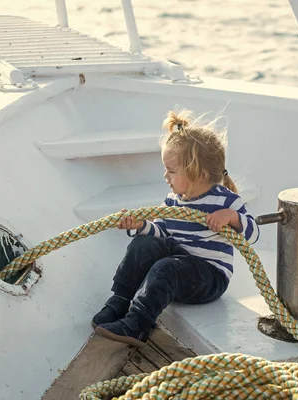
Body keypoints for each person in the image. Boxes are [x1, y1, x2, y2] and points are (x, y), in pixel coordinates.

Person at [92, 109, 260, 347]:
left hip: (209, 277)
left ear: (198, 173)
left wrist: (232, 217)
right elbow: (161, 232)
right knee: (144, 242)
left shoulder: (226, 201)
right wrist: (140, 226)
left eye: (171, 171)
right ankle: (121, 299)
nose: (165, 176)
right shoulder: (174, 199)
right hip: (180, 262)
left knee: (166, 268)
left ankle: (137, 325)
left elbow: (253, 234)